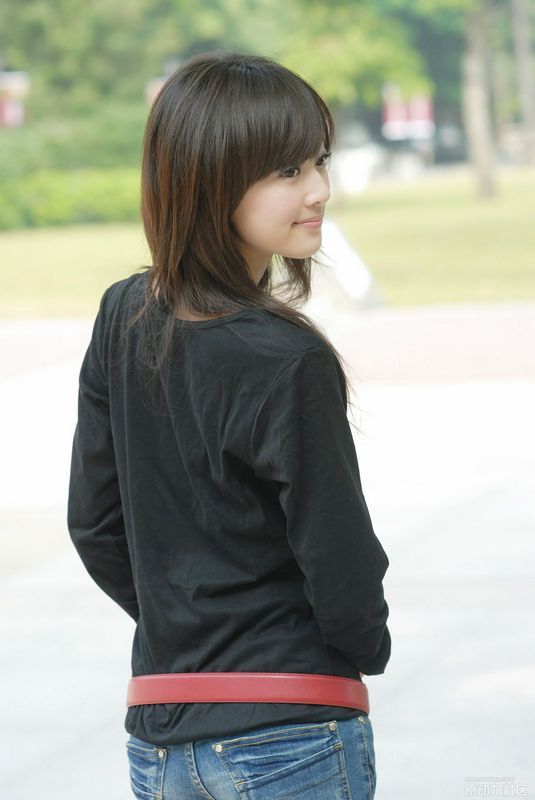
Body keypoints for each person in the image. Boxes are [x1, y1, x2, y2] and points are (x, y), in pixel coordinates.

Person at [67, 50, 391, 800]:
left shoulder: (122, 313)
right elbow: (337, 552)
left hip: (161, 733)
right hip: (290, 730)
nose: (318, 189)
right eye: (287, 171)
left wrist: (184, 627)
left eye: (319, 160)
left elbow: (95, 523)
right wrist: (357, 646)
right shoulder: (287, 358)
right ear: (210, 178)